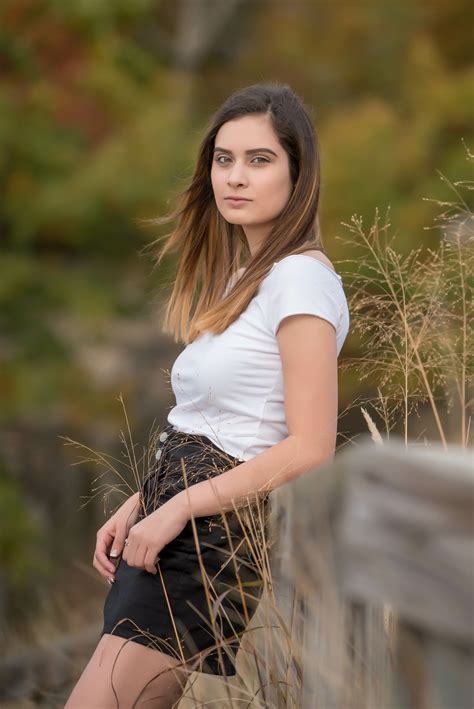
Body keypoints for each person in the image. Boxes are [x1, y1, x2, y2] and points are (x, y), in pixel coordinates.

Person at [65, 81, 350, 708]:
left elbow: (311, 445)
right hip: (174, 517)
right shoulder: (248, 277)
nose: (235, 177)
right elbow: (224, 422)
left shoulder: (300, 278)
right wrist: (143, 500)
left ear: (298, 174)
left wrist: (180, 508)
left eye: (259, 159)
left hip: (208, 538)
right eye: (224, 159)